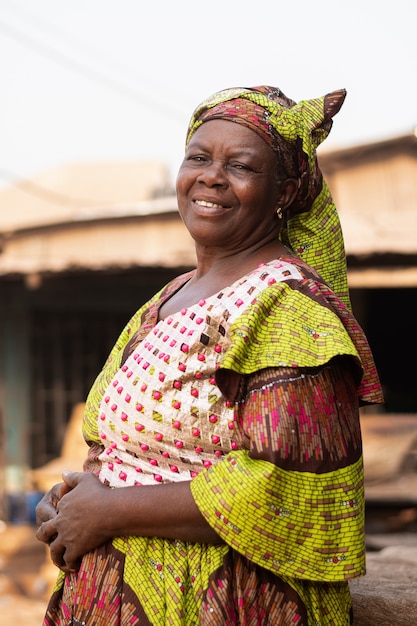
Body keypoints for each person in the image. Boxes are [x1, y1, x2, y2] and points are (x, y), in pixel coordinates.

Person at [36, 85, 383, 626]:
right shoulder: (167, 299)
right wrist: (69, 502)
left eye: (240, 165)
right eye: (198, 157)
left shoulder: (288, 311)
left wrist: (109, 511)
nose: (211, 176)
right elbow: (117, 444)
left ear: (286, 191)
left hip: (221, 603)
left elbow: (287, 484)